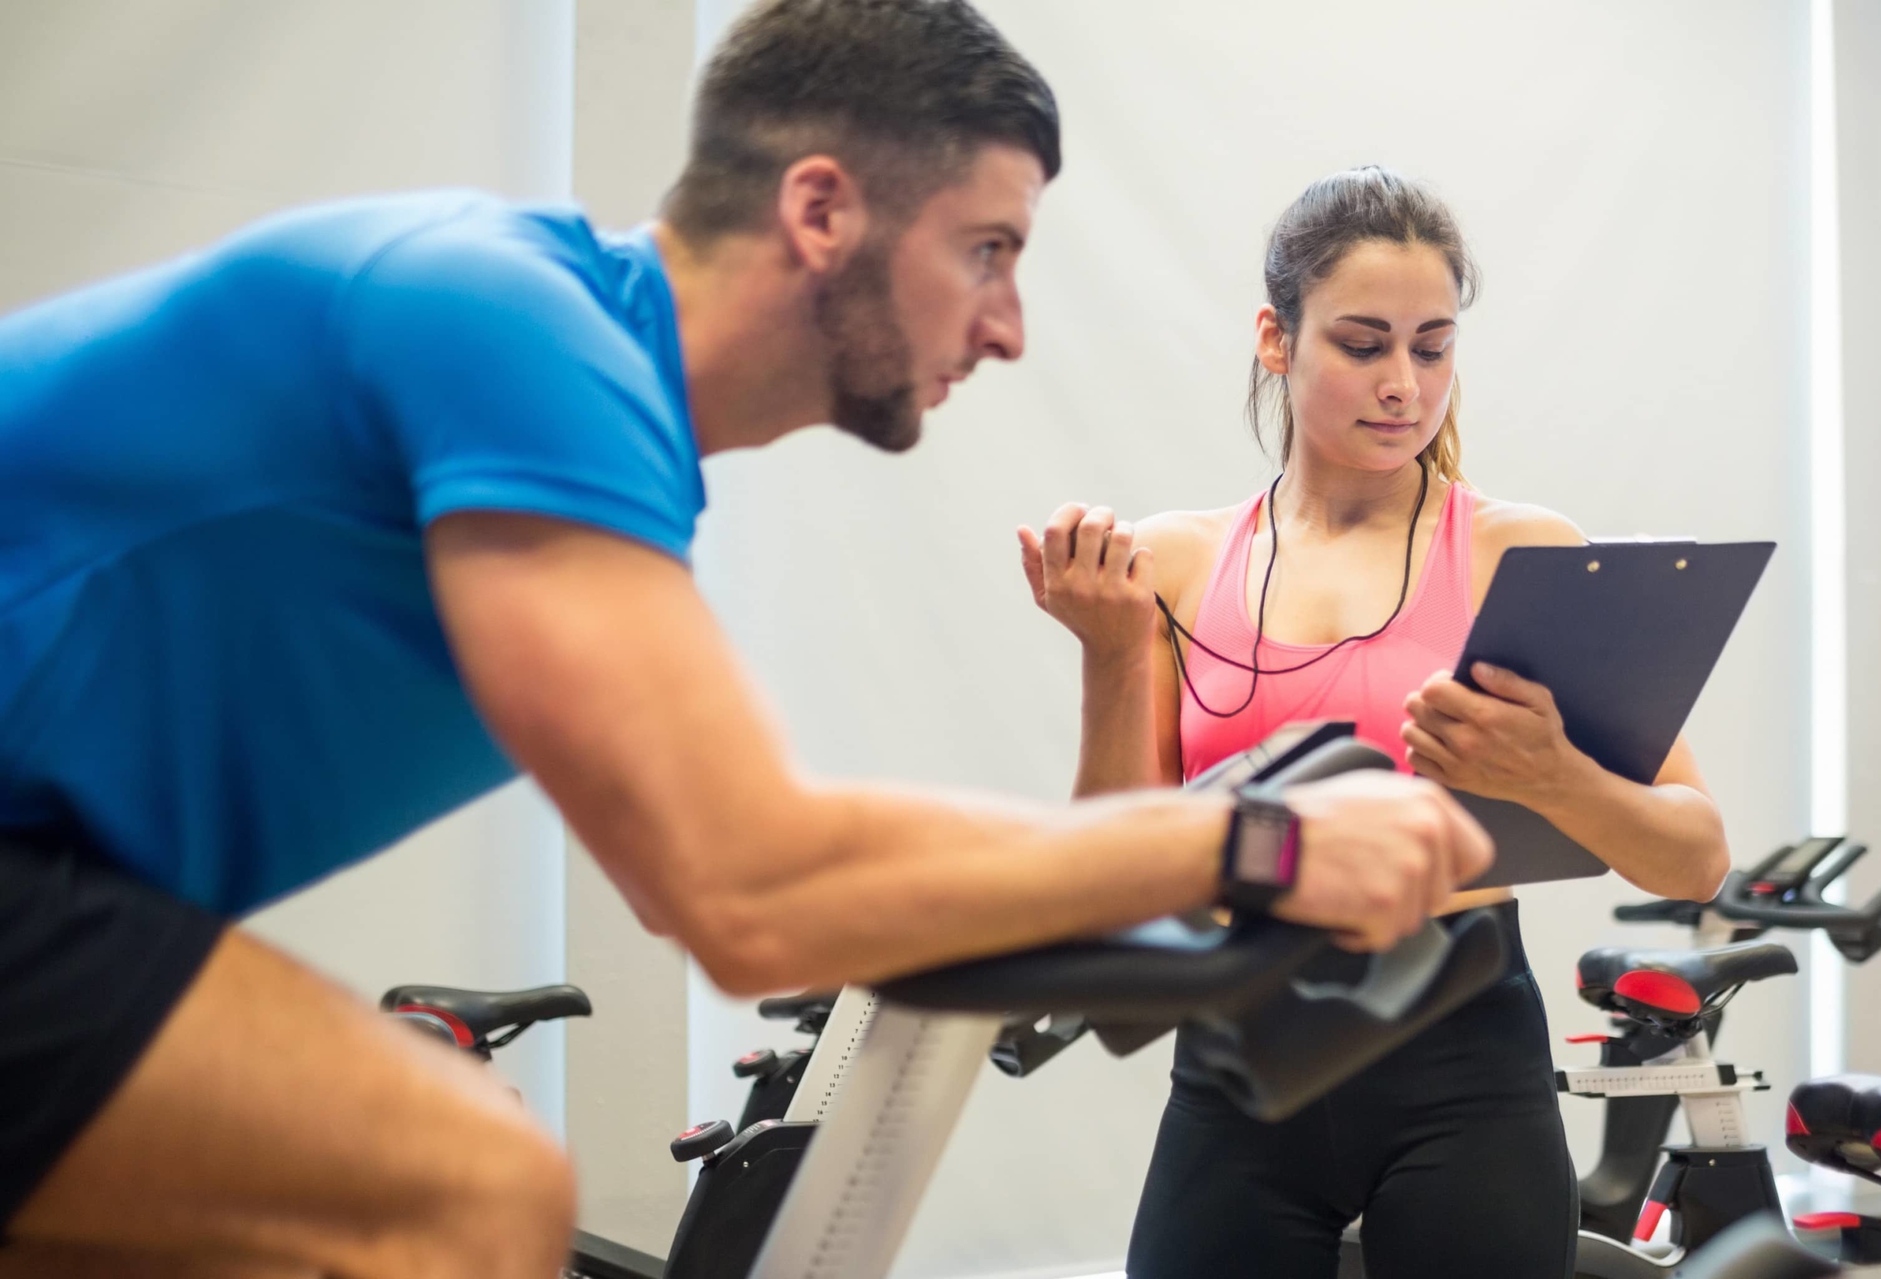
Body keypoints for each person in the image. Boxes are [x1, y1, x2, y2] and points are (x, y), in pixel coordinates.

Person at [0, 8, 1496, 1278]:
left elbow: (717, 883)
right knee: (470, 1186)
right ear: (823, 209)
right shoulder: (515, 329)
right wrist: (1260, 846)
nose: (1011, 324)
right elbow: (751, 884)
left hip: (62, 882)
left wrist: (1186, 866)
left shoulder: (608, 447)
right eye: (987, 249)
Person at [1017, 166, 1732, 1279]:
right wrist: (1114, 654)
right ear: (1276, 336)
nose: (1404, 383)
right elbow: (1116, 888)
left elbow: (1694, 854)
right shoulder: (1178, 560)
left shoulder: (1519, 552)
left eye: (1432, 346)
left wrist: (1553, 776)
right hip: (1241, 1064)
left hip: (1463, 1067)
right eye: (1362, 343)